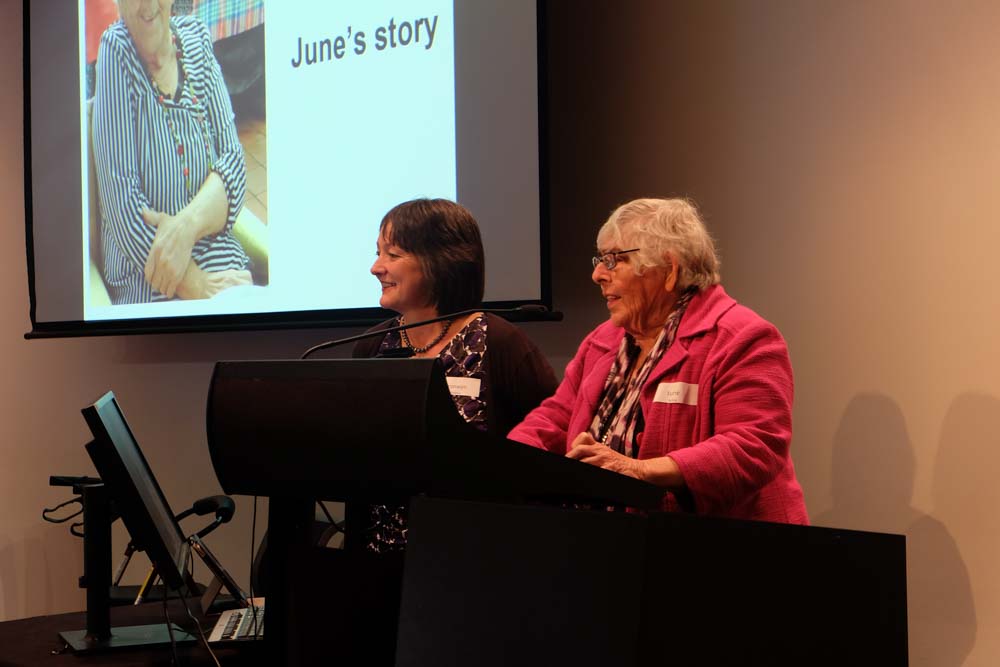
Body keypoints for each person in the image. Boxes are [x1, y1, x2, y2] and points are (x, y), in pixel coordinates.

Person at [509, 198, 808, 523]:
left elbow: (753, 445)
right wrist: (508, 461)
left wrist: (639, 470)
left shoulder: (741, 337)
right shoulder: (602, 340)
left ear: (670, 270)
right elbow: (553, 420)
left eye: (613, 260)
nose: (597, 274)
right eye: (600, 259)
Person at [353, 198, 559, 549]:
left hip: (479, 556)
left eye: (392, 254)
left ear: (439, 263)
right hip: (381, 559)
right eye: (377, 253)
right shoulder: (373, 346)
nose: (376, 267)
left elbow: (549, 446)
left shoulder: (499, 343)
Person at [93, 0, 251, 304]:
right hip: (148, 276)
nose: (147, 5)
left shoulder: (197, 40)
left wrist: (185, 227)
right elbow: (123, 207)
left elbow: (233, 160)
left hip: (218, 257)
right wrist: (197, 286)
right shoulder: (116, 51)